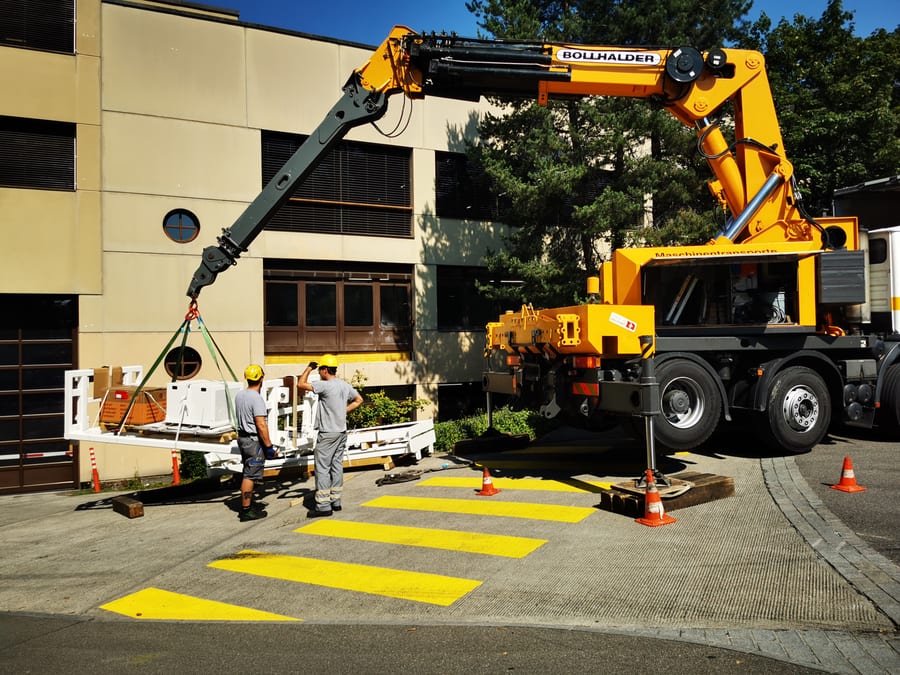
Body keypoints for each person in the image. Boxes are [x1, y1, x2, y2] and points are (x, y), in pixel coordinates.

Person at [297, 353, 363, 518]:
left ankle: (323, 506)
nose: (319, 372)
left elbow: (300, 384)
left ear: (325, 370)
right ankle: (336, 501)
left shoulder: (325, 386)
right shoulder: (344, 385)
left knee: (322, 468)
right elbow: (359, 400)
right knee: (336, 466)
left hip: (327, 433)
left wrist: (309, 368)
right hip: (341, 432)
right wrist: (343, 411)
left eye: (320, 369)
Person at [234, 363, 276, 522]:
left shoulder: (240, 395)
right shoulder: (256, 399)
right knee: (250, 476)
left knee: (248, 472)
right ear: (261, 378)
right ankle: (246, 510)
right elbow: (261, 424)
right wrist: (269, 446)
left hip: (243, 439)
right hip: (253, 441)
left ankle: (249, 504)